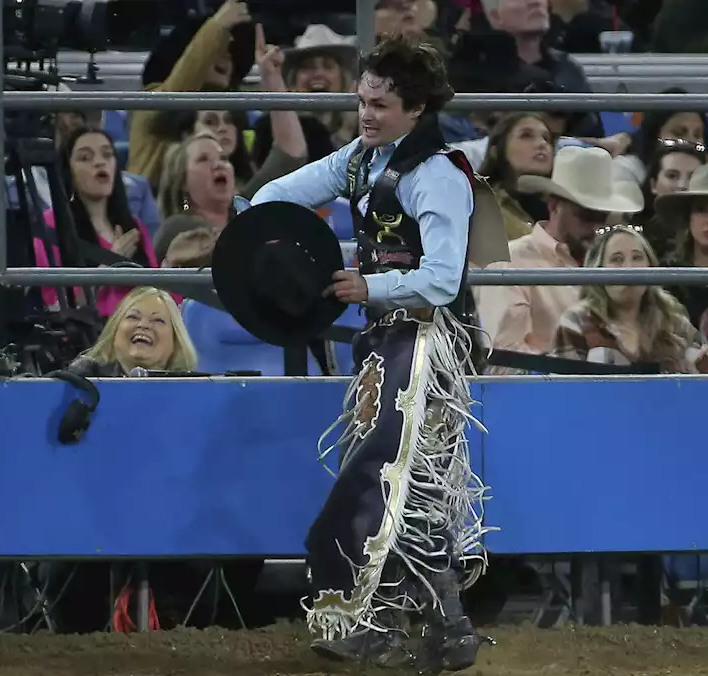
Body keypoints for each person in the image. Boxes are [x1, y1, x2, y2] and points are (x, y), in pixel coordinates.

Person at [240, 34, 508, 672]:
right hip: (389, 340)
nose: (367, 115)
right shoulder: (361, 160)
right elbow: (278, 195)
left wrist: (369, 284)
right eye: (363, 101)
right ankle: (447, 629)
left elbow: (443, 280)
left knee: (386, 471)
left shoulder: (438, 175)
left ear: (415, 109)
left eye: (381, 105)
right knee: (403, 478)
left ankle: (372, 617)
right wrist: (277, 244)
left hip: (428, 341)